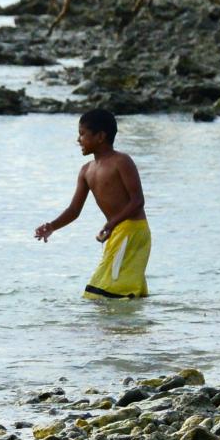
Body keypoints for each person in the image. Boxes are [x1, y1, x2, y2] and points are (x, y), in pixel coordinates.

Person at [34, 109, 150, 299]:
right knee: (122, 290)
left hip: (132, 231)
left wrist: (112, 223)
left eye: (82, 134)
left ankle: (112, 327)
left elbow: (138, 200)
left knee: (100, 293)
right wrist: (52, 226)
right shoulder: (86, 171)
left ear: (100, 136)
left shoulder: (121, 161)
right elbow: (74, 210)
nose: (78, 139)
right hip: (117, 232)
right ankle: (126, 328)